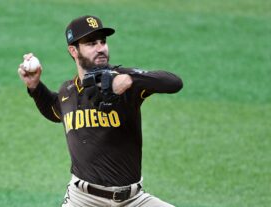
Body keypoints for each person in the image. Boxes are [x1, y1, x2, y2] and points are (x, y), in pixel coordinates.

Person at [18, 15, 183, 207]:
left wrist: (131, 80)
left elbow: (174, 82)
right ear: (73, 50)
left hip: (133, 200)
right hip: (82, 200)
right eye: (91, 43)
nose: (101, 48)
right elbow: (55, 111)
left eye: (102, 42)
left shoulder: (122, 79)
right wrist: (35, 87)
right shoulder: (68, 91)